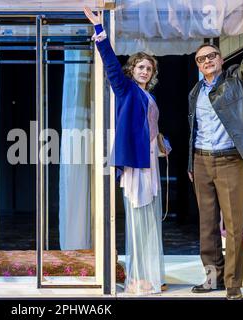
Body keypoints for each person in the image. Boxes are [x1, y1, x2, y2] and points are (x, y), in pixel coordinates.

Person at [188, 0, 243, 301]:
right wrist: (191, 163)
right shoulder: (194, 93)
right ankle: (211, 279)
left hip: (229, 161)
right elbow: (193, 130)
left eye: (212, 56)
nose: (208, 60)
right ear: (198, 65)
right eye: (202, 59)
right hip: (201, 162)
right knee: (207, 226)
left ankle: (233, 287)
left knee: (234, 227)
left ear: (221, 60)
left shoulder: (235, 81)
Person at [84, 7, 170, 295]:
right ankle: (137, 279)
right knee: (137, 221)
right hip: (135, 162)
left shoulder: (149, 95)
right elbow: (109, 63)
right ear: (132, 70)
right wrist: (99, 31)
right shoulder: (125, 89)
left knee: (149, 222)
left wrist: (161, 143)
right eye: (140, 67)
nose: (144, 71)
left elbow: (151, 127)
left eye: (149, 68)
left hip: (151, 161)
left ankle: (150, 274)